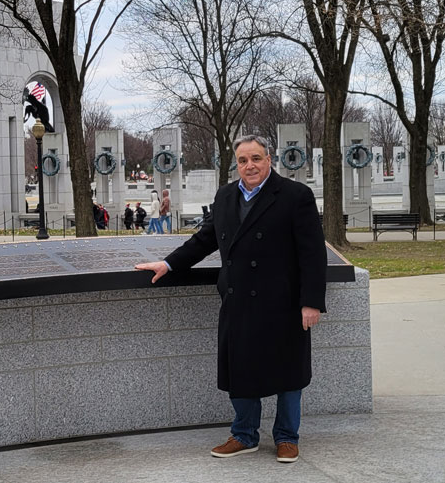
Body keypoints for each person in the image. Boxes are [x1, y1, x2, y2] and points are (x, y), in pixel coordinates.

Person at [134, 135, 326, 464]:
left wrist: (311, 302)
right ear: (236, 164)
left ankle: (286, 437)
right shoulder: (225, 196)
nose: (249, 165)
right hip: (238, 301)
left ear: (269, 159)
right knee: (241, 370)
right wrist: (168, 263)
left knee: (288, 371)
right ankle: (244, 434)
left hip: (282, 301)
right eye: (242, 160)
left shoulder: (296, 196)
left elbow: (312, 254)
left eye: (256, 158)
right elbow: (204, 239)